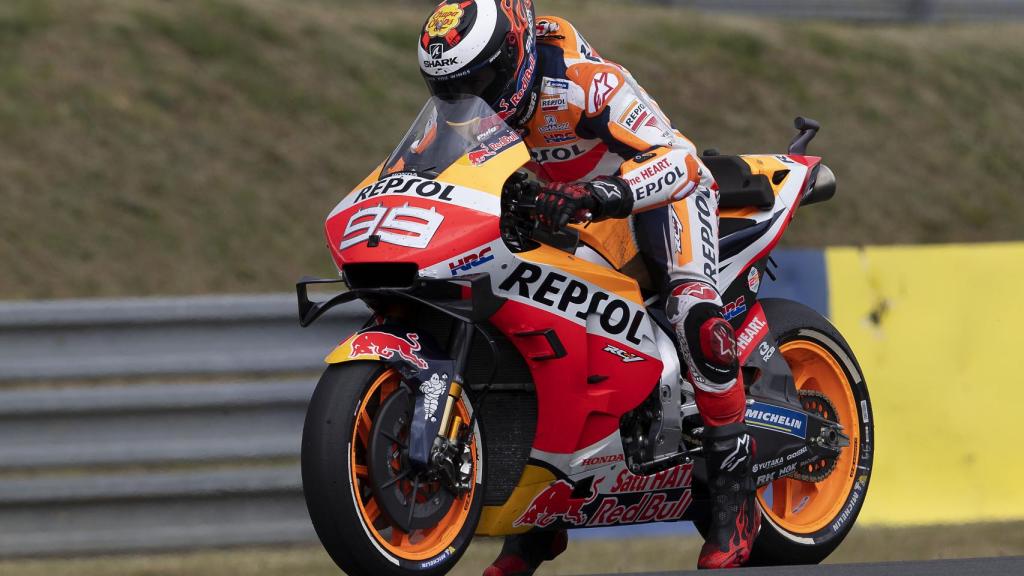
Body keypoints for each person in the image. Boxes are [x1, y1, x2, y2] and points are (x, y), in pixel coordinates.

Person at [417, 0, 760, 572]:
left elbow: (683, 161)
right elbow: (426, 170)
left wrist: (604, 196)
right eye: (451, 86)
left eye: (479, 80)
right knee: (527, 336)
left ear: (516, 52)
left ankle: (736, 496)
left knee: (694, 312)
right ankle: (540, 519)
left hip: (653, 200)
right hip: (566, 217)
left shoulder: (585, 82)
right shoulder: (462, 114)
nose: (467, 96)